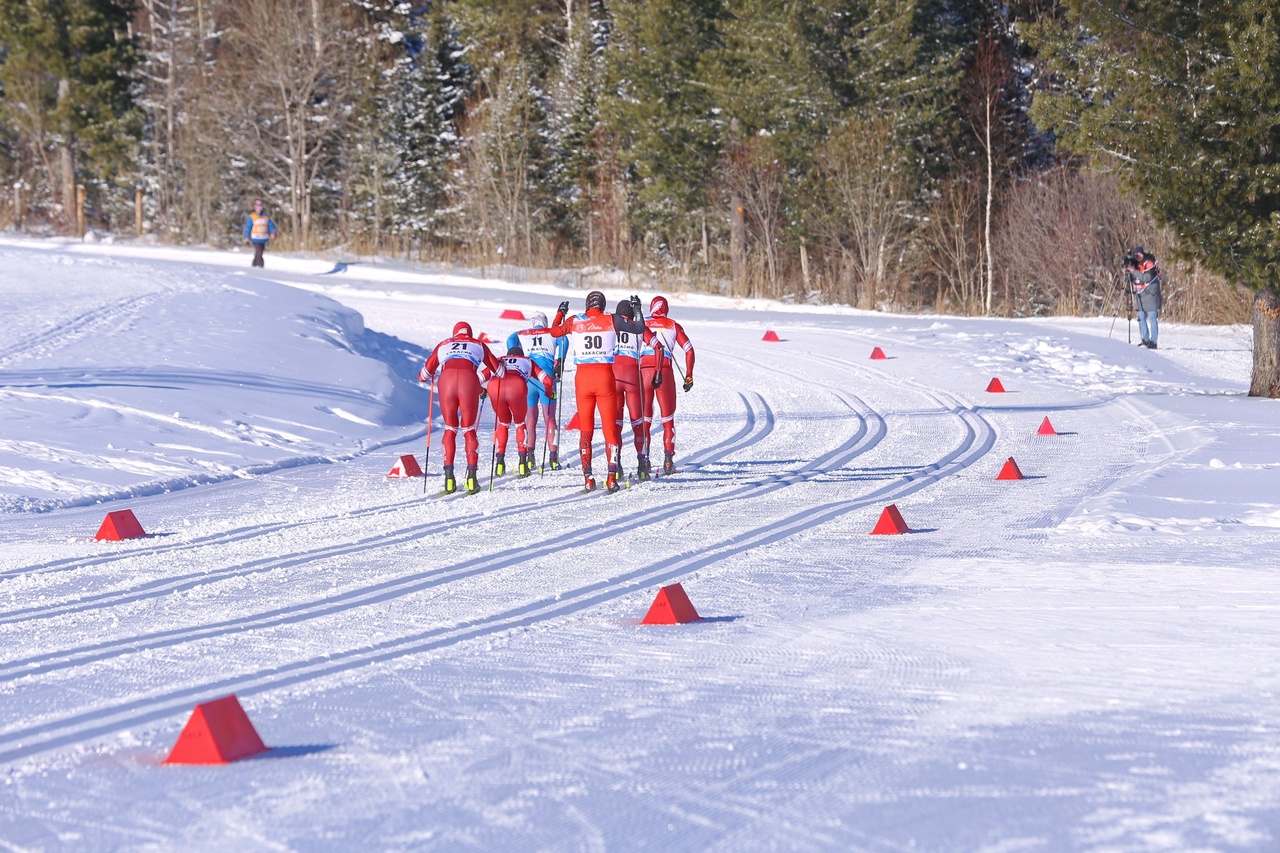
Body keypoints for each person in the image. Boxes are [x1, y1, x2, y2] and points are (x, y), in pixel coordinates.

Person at [548, 291, 649, 493]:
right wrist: (637, 308)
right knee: (609, 429)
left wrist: (560, 312)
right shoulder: (612, 318)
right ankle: (611, 477)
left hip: (583, 380)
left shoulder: (575, 320)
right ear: (602, 305)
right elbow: (639, 328)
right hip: (605, 378)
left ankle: (588, 477)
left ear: (587, 304)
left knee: (586, 429)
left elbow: (554, 332)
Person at [418, 322, 504, 494]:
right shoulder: (479, 344)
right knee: (468, 429)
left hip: (446, 381)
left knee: (450, 428)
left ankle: (449, 479)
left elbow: (423, 376)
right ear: (469, 333)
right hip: (469, 380)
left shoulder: (443, 344)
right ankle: (472, 478)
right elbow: (500, 372)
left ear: (454, 333)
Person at [506, 312, 569, 471]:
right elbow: (565, 339)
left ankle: (530, 456)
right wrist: (560, 361)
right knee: (550, 419)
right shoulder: (551, 333)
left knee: (530, 420)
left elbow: (510, 339)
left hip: (529, 378)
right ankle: (553, 458)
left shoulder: (523, 334)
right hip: (546, 377)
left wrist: (514, 353)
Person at [640, 295, 696, 475]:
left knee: (645, 420)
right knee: (667, 419)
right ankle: (668, 461)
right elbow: (689, 350)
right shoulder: (673, 324)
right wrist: (688, 375)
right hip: (664, 371)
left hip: (643, 372)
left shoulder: (641, 323)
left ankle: (644, 461)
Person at [486, 344, 554, 478]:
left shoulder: (500, 359)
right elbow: (547, 380)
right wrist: (549, 392)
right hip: (516, 386)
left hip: (495, 386)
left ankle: (499, 463)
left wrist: (481, 391)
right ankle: (523, 464)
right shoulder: (527, 360)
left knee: (503, 423)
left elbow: (479, 377)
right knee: (519, 423)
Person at [612, 299, 662, 480]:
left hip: (613, 378)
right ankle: (642, 464)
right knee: (637, 424)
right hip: (633, 377)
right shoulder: (637, 327)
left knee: (615, 425)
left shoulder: (612, 325)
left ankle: (615, 465)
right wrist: (657, 373)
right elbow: (659, 347)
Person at [1125, 246, 1163, 349]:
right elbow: (1135, 277)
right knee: (1141, 317)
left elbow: (1147, 277)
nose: (1138, 257)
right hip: (1140, 293)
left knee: (1152, 317)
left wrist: (1133, 271)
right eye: (1136, 255)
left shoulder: (1149, 262)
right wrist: (1128, 272)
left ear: (1143, 254)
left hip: (1150, 293)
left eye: (1139, 255)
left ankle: (1153, 341)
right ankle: (1145, 340)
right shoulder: (1136, 264)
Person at [242, 198, 277, 268]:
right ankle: (260, 265)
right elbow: (248, 227)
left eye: (260, 207)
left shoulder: (266, 217)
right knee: (259, 252)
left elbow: (271, 226)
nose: (259, 209)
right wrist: (246, 237)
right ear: (255, 207)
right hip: (255, 238)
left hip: (263, 238)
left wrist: (273, 233)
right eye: (257, 207)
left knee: (260, 252)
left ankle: (254, 264)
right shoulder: (252, 216)